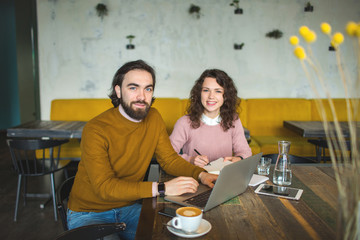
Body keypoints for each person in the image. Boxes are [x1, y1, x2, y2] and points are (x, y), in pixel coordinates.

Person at [67, 60, 217, 240]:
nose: (141, 96)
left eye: (148, 89)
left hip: (129, 208)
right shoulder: (96, 129)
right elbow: (104, 188)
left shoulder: (153, 117)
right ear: (118, 91)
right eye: (133, 88)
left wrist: (201, 175)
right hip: (89, 213)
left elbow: (169, 159)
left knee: (175, 235)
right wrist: (162, 188)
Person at [170, 69, 252, 167]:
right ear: (199, 94)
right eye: (206, 90)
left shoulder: (233, 120)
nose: (211, 96)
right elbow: (168, 155)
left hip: (223, 178)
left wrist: (239, 159)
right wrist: (190, 160)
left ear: (225, 96)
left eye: (218, 91)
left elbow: (245, 152)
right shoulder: (184, 123)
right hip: (195, 178)